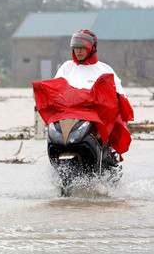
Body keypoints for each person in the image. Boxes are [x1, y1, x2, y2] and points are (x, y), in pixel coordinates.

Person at [41, 29, 134, 161]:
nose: (78, 51)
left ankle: (107, 156)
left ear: (92, 48)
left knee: (104, 126)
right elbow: (55, 89)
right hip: (68, 114)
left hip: (94, 116)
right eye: (75, 48)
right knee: (52, 131)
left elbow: (119, 96)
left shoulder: (104, 70)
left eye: (82, 48)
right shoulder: (66, 67)